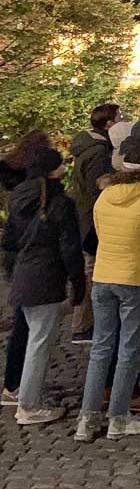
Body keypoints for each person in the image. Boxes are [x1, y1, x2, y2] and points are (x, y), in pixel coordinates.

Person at [74, 141, 140, 441]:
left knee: (101, 348)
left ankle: (87, 418)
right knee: (128, 349)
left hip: (103, 276)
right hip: (135, 278)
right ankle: (118, 416)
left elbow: (100, 236)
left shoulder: (104, 196)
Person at [2, 143, 85, 424]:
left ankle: (25, 397)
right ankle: (28, 405)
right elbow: (69, 248)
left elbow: (10, 241)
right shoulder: (60, 203)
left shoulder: (19, 199)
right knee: (39, 343)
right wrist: (78, 282)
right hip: (46, 277)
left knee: (33, 339)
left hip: (24, 274)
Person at [1, 131, 50, 407]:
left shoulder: (13, 180)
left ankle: (15, 382)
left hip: (16, 259)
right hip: (32, 262)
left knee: (22, 322)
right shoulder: (36, 190)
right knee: (28, 328)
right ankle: (17, 387)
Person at [69, 102, 121, 344]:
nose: (121, 121)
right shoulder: (98, 152)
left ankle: (83, 323)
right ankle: (82, 325)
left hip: (85, 217)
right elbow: (97, 189)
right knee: (91, 271)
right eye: (119, 117)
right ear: (109, 124)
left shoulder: (88, 146)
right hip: (91, 220)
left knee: (89, 270)